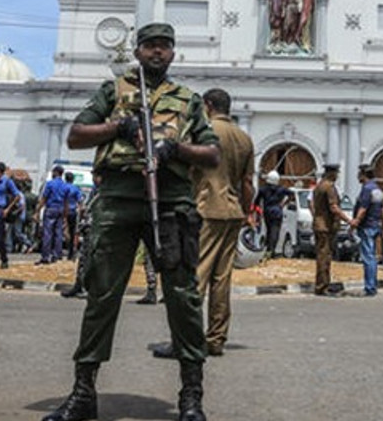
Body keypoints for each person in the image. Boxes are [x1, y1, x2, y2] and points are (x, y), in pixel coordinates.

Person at [44, 22, 220, 421]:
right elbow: (76, 136)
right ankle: (83, 392)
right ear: (138, 52)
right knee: (102, 296)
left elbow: (212, 155)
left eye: (165, 47)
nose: (158, 52)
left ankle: (191, 397)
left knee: (183, 299)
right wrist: (119, 126)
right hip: (119, 200)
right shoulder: (114, 92)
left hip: (172, 202)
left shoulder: (188, 100)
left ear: (173, 53)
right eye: (150, 46)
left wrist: (175, 147)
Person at [153, 87, 254, 358]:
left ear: (208, 106)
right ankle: (216, 338)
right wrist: (246, 212)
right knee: (222, 280)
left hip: (206, 208)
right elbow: (247, 183)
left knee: (195, 276)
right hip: (233, 212)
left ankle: (185, 340)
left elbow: (187, 171)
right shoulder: (244, 138)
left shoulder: (204, 134)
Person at [310, 163, 352, 296]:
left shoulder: (319, 186)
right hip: (325, 226)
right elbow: (334, 207)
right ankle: (322, 286)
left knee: (323, 255)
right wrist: (348, 220)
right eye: (336, 173)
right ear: (331, 173)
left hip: (320, 224)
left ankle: (323, 284)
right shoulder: (328, 187)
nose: (337, 176)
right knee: (324, 256)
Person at [350, 164, 383, 297]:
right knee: (372, 257)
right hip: (375, 225)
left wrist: (354, 223)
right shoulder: (377, 189)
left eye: (359, 173)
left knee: (368, 257)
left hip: (367, 227)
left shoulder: (367, 189)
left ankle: (370, 287)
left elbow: (363, 209)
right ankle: (373, 285)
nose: (358, 176)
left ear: (364, 174)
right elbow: (382, 210)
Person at [253, 170, 294, 258]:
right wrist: (284, 204)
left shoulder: (263, 189)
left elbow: (256, 202)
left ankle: (268, 249)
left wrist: (257, 213)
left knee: (269, 230)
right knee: (275, 231)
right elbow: (292, 194)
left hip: (267, 212)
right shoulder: (281, 189)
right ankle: (272, 251)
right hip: (277, 212)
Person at [38, 166, 71, 264]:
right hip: (60, 210)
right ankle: (56, 256)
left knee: (48, 233)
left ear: (56, 172)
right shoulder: (65, 186)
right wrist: (65, 215)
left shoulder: (50, 184)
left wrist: (37, 211)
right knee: (58, 234)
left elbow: (44, 198)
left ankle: (45, 256)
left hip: (51, 209)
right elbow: (66, 202)